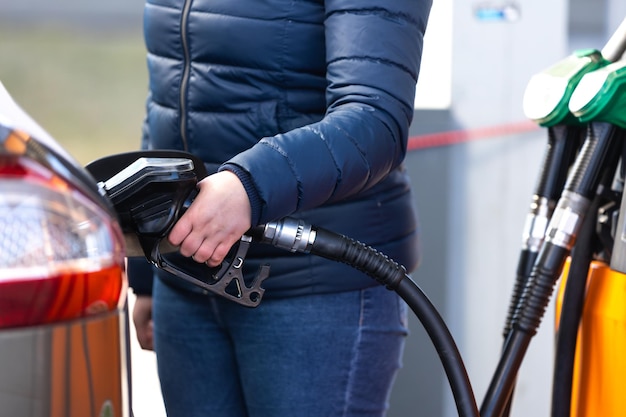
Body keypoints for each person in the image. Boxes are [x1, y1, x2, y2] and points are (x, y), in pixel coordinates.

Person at [128, 0, 432, 416]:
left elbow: (374, 121)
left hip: (312, 289)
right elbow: (171, 92)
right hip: (187, 278)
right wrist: (146, 271)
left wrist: (249, 186)